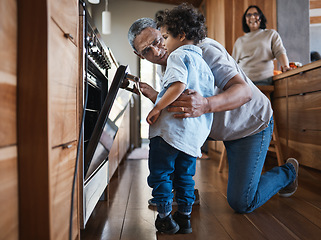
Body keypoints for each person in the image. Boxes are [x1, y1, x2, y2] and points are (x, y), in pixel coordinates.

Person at [127, 4, 299, 219]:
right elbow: (183, 107)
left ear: (166, 32)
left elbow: (243, 92)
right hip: (219, 128)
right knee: (169, 139)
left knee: (242, 202)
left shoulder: (204, 49)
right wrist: (154, 95)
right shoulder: (170, 64)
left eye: (158, 40)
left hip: (249, 125)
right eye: (146, 50)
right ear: (140, 55)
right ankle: (184, 192)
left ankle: (288, 172)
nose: (156, 50)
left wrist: (206, 105)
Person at [135, 4, 214, 235]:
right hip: (192, 136)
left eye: (165, 37)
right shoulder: (203, 64)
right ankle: (185, 217)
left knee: (160, 173)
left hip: (168, 133)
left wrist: (157, 107)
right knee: (185, 177)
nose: (163, 44)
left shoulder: (178, 55)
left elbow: (178, 85)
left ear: (180, 36)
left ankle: (164, 218)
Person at [232, 5, 291, 85]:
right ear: (245, 20)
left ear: (261, 18)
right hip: (243, 82)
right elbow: (233, 64)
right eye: (249, 15)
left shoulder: (271, 34)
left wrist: (285, 67)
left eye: (255, 14)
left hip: (264, 81)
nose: (252, 17)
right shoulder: (239, 41)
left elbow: (280, 52)